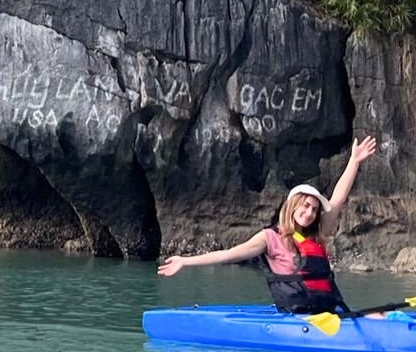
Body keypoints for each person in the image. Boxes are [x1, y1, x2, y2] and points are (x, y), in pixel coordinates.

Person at [156, 135, 380, 314]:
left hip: (328, 312)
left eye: (314, 209)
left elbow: (337, 199)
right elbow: (229, 255)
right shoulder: (270, 238)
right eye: (305, 206)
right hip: (298, 316)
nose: (310, 212)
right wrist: (185, 261)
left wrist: (354, 161)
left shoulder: (317, 233)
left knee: (380, 315)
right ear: (292, 206)